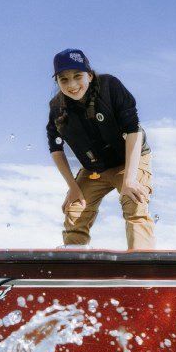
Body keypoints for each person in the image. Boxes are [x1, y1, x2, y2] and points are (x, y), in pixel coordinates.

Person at [46, 49, 155, 249]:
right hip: (94, 169)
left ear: (89, 75)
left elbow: (133, 130)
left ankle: (141, 263)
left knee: (134, 202)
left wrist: (130, 179)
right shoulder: (56, 108)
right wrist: (73, 187)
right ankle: (75, 262)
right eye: (64, 80)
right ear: (58, 82)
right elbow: (55, 148)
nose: (72, 85)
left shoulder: (109, 86)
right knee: (75, 210)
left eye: (77, 76)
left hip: (129, 160)